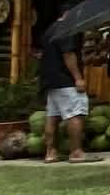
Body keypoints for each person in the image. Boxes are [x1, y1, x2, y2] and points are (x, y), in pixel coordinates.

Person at [38, 21, 95, 164]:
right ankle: (76, 152)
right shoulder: (67, 28)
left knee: (52, 116)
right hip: (66, 80)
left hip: (51, 80)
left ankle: (50, 152)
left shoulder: (51, 28)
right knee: (75, 114)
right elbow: (68, 54)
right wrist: (78, 78)